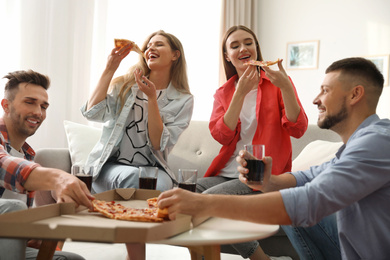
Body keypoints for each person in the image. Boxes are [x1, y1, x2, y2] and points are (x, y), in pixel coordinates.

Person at [158, 57, 390, 260]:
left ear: (355, 94)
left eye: (325, 90)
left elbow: (311, 201)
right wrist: (271, 182)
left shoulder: (376, 143)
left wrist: (203, 204)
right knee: (287, 195)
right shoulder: (359, 143)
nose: (316, 99)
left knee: (295, 204)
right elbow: (311, 175)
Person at [195, 25, 307, 260]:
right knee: (184, 195)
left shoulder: (277, 83)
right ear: (227, 56)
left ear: (256, 48)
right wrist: (239, 93)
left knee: (207, 204)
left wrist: (286, 86)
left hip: (261, 175)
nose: (243, 48)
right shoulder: (223, 92)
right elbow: (221, 136)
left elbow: (297, 128)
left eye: (248, 43)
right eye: (234, 46)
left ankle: (262, 259)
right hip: (226, 173)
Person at [81, 30, 193, 194]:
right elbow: (92, 113)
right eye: (148, 46)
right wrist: (109, 69)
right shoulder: (126, 86)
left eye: (159, 44)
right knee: (134, 177)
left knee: (161, 186)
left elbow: (157, 143)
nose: (150, 49)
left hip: (153, 169)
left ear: (175, 55)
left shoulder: (183, 100)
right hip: (110, 166)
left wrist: (151, 99)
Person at [0, 70, 94, 260]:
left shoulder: (28, 155)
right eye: (29, 102)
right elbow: (5, 165)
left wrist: (32, 235)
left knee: (72, 259)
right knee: (12, 209)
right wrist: (59, 178)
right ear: (6, 106)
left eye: (43, 106)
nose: (38, 112)